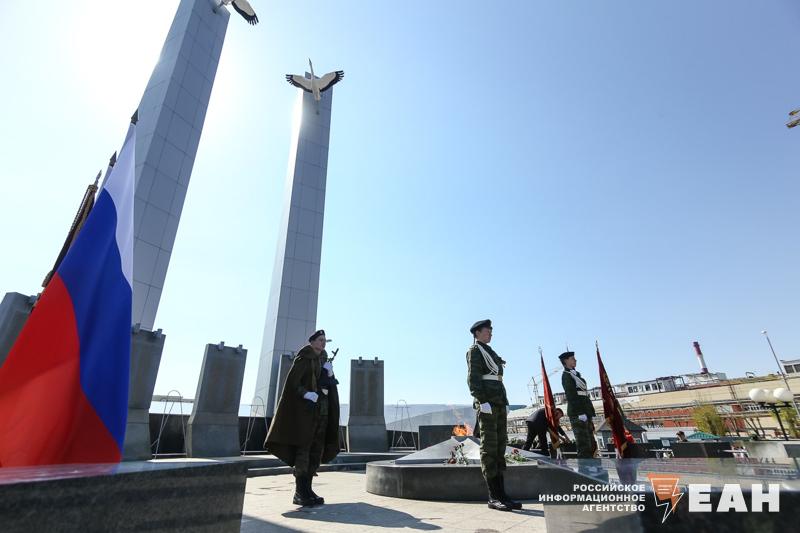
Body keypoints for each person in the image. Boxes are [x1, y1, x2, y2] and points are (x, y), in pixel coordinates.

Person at [264, 329, 341, 507]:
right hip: (306, 413)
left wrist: (330, 375)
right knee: (304, 450)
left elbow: (329, 386)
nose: (323, 343)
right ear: (312, 342)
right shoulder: (303, 359)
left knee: (316, 451)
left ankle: (308, 490)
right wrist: (306, 394)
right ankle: (300, 492)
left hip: (322, 411)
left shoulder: (324, 361)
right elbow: (293, 383)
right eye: (320, 340)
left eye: (324, 341)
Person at [466, 319, 521, 512]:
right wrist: (482, 401)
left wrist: (504, 402)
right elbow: (473, 378)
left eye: (491, 330)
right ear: (477, 333)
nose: (490, 332)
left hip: (498, 402)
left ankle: (502, 494)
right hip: (487, 403)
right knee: (489, 448)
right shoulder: (475, 351)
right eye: (487, 330)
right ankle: (493, 496)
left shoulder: (490, 351)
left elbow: (498, 379)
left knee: (499, 447)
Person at [559, 351, 596, 459]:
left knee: (591, 441)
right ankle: (585, 466)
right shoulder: (566, 376)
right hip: (577, 412)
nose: (575, 360)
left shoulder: (576, 374)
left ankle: (592, 464)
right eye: (572, 358)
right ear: (566, 361)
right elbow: (571, 395)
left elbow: (583, 394)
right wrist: (580, 413)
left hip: (585, 410)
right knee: (583, 443)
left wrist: (588, 411)